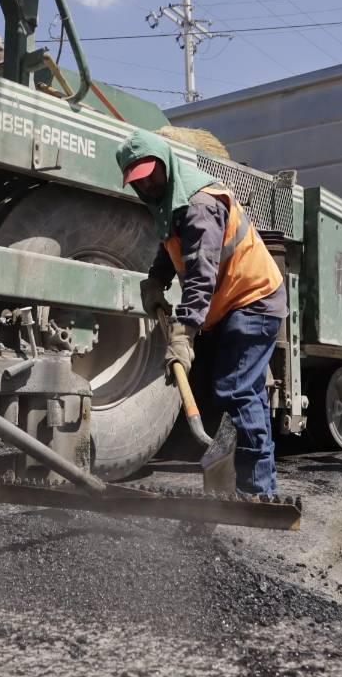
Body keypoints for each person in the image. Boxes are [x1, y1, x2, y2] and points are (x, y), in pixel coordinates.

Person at [116, 129, 286, 497]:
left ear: (166, 165)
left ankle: (256, 492)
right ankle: (261, 488)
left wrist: (184, 334)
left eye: (150, 176)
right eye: (137, 181)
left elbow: (200, 276)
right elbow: (171, 245)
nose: (146, 186)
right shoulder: (171, 201)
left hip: (253, 299)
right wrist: (155, 281)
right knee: (248, 392)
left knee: (236, 390)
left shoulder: (199, 206)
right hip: (238, 301)